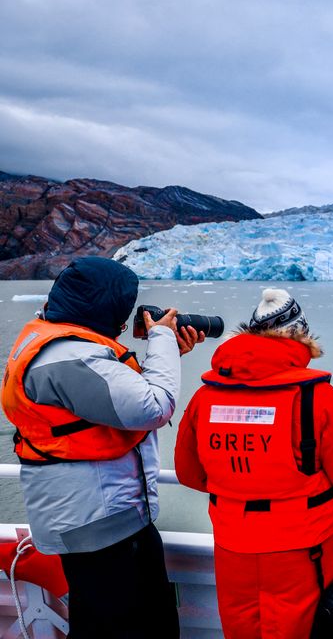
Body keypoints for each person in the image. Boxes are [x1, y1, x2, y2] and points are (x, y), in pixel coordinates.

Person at [1, 256, 203, 638]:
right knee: (125, 629)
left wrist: (167, 353)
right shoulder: (68, 357)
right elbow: (152, 407)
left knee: (141, 624)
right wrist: (161, 339)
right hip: (98, 528)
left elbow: (111, 397)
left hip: (106, 519)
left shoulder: (57, 344)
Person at [175, 288, 333, 639]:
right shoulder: (316, 397)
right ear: (300, 336)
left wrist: (241, 484)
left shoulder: (206, 396)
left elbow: (188, 472)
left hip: (232, 550)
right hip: (305, 554)